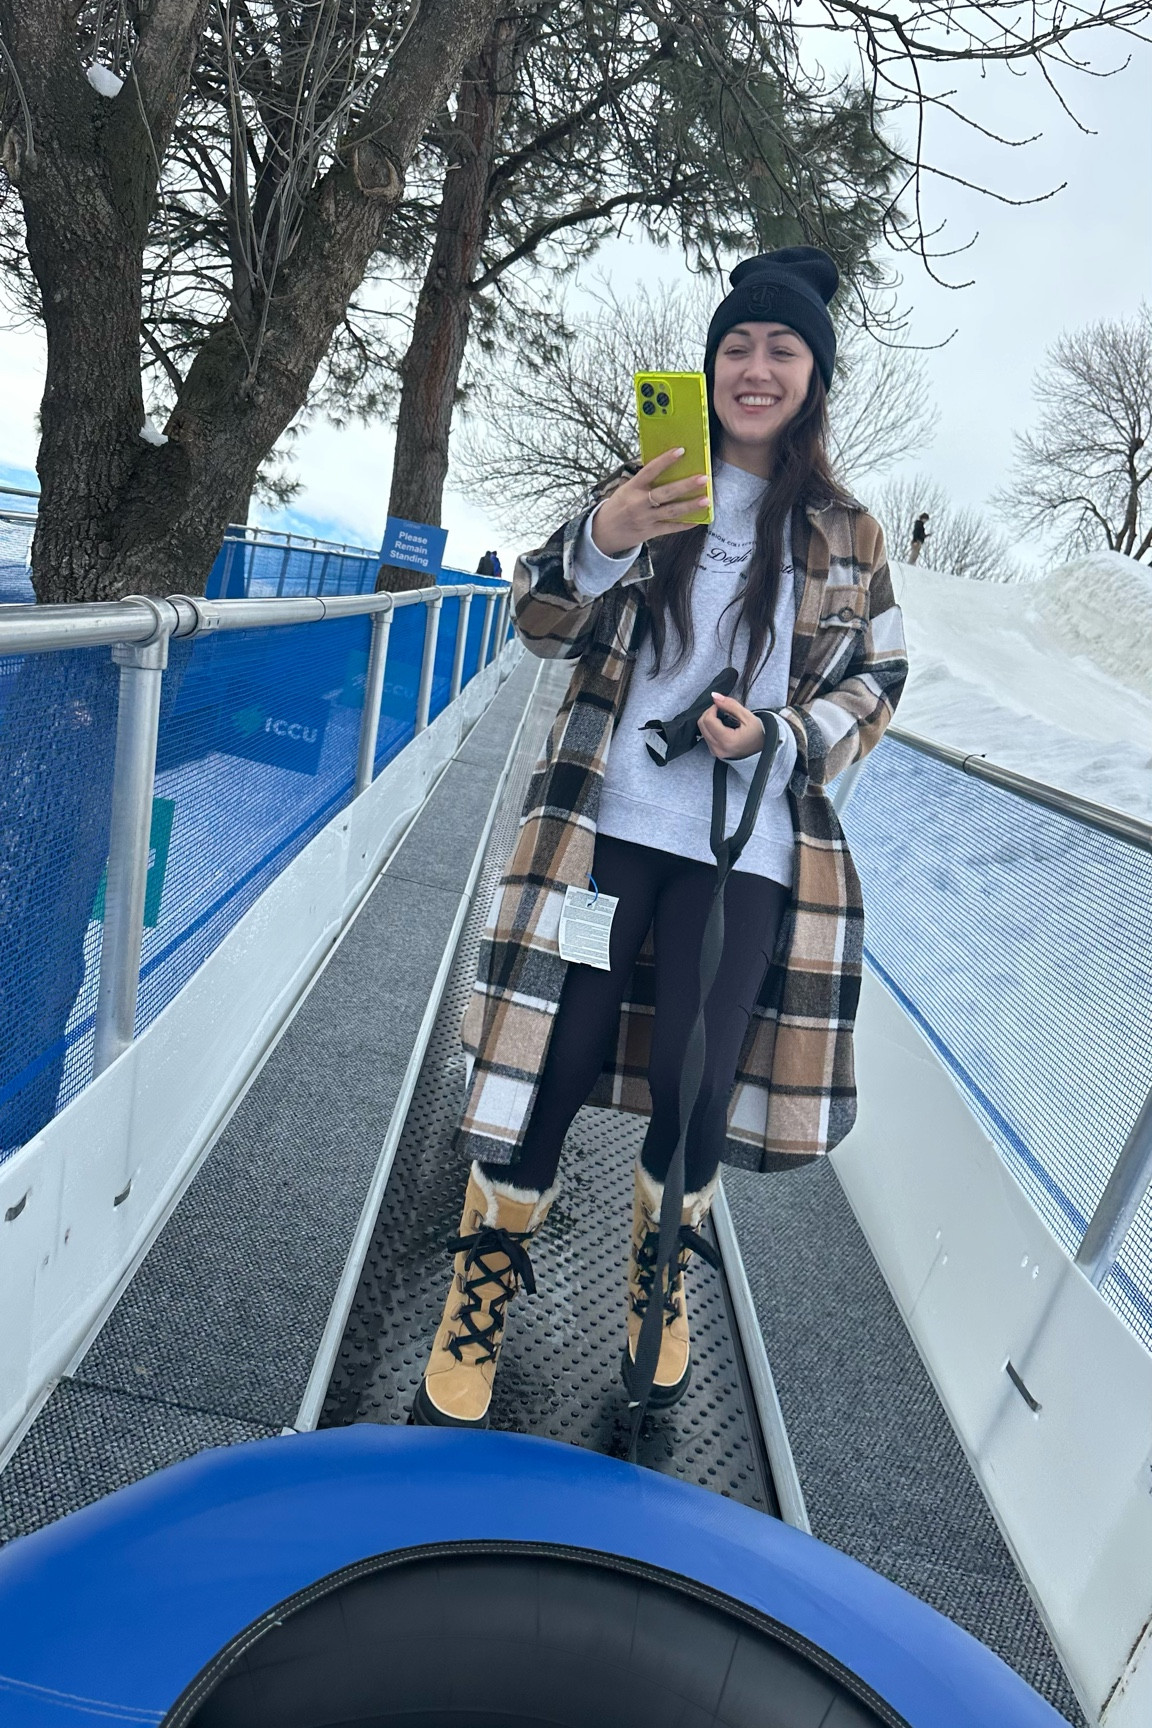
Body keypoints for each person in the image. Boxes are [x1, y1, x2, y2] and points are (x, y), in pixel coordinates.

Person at [413, 247, 908, 1429]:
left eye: (781, 350)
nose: (755, 368)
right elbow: (537, 619)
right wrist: (600, 535)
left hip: (748, 847)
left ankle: (659, 1261)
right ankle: (482, 1277)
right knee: (558, 1056)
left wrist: (781, 733)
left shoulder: (849, 530)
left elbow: (881, 678)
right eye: (737, 346)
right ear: (710, 365)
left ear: (814, 379)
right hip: (610, 831)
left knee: (698, 1083)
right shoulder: (648, 486)